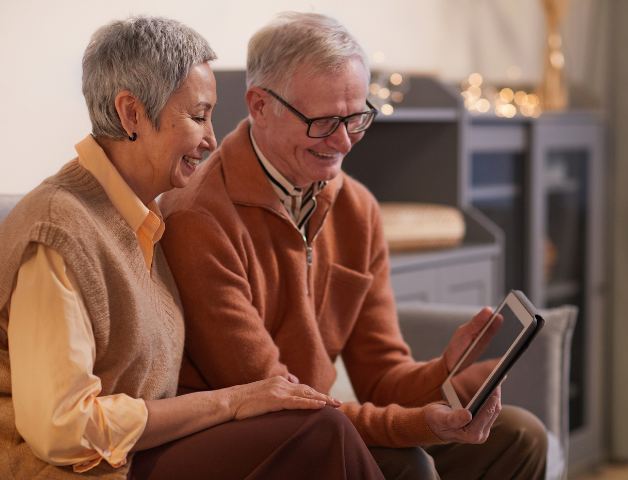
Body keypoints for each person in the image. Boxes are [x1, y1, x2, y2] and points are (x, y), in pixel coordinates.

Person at [160, 11, 548, 479]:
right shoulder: (199, 218)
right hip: (247, 439)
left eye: (357, 118)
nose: (344, 142)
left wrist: (447, 370)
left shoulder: (357, 209)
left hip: (320, 420)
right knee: (406, 463)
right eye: (324, 122)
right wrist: (420, 423)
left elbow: (381, 377)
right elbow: (280, 402)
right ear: (260, 106)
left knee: (520, 438)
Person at [0, 16, 383, 480]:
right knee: (321, 432)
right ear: (132, 114)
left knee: (357, 447)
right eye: (198, 116)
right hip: (76, 469)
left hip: (141, 451)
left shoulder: (141, 218)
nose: (211, 139)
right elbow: (62, 428)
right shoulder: (59, 230)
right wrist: (230, 402)